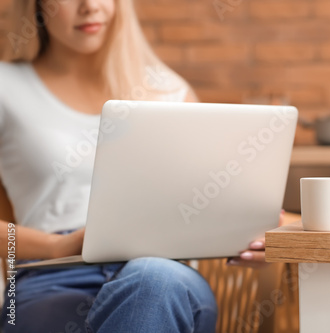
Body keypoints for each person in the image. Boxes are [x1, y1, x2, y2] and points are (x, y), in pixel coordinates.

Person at [0, 0, 273, 332]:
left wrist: (253, 240)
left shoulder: (167, 91)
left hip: (162, 271)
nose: (89, 6)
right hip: (52, 272)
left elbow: (220, 200)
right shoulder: (7, 87)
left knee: (154, 281)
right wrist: (56, 245)